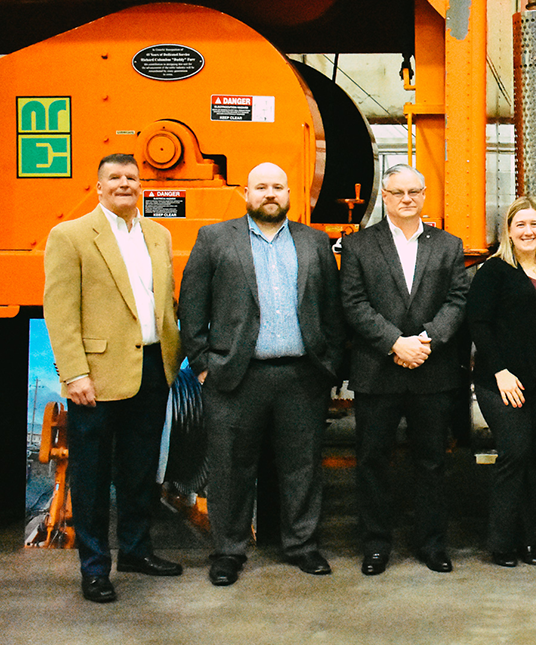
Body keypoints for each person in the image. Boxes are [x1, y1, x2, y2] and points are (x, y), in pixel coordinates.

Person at [179, 162, 345, 586]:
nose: (270, 193)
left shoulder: (314, 242)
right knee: (230, 468)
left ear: (290, 193)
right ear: (246, 194)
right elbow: (192, 306)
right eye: (261, 187)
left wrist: (329, 367)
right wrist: (201, 366)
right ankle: (228, 552)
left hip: (301, 377)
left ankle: (302, 545)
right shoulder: (215, 239)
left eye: (278, 186)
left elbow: (332, 310)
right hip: (235, 377)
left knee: (302, 466)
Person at [43, 153, 185, 603]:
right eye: (114, 178)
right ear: (99, 186)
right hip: (96, 377)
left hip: (152, 368)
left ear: (141, 185)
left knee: (140, 468)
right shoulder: (70, 235)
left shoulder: (158, 235)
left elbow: (165, 302)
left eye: (132, 177)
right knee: (91, 474)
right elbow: (60, 312)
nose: (125, 183)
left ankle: (137, 551)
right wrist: (74, 373)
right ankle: (94, 567)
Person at [340, 165, 469, 575]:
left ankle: (432, 544)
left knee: (431, 461)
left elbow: (457, 299)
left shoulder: (448, 245)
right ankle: (376, 544)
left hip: (432, 370)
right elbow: (354, 303)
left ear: (424, 194)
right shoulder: (359, 245)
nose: (407, 199)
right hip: (378, 370)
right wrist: (395, 343)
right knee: (373, 460)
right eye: (398, 193)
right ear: (385, 197)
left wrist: (426, 340)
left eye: (414, 191)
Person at [467, 196, 536, 567]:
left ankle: (529, 541)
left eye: (535, 224)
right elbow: (478, 323)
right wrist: (500, 371)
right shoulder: (493, 271)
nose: (528, 231)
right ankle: (501, 541)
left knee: (533, 459)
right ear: (508, 232)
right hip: (503, 383)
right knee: (513, 453)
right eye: (520, 225)